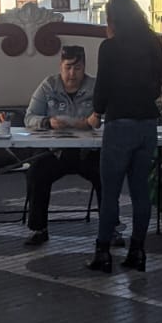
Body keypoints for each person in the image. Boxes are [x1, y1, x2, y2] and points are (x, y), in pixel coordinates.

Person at [89, 0, 162, 273]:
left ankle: (102, 254)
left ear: (114, 20)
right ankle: (138, 251)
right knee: (140, 194)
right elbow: (158, 86)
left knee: (110, 193)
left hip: (119, 123)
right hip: (147, 125)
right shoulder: (153, 45)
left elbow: (103, 86)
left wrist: (96, 113)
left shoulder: (109, 48)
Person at [22, 45, 102, 246]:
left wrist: (98, 120)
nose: (72, 74)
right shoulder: (49, 85)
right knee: (37, 172)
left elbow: (112, 117)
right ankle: (39, 229)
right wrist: (47, 122)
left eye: (77, 68)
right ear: (60, 66)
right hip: (55, 152)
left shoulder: (96, 87)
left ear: (85, 68)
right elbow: (29, 117)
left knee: (108, 174)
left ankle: (111, 228)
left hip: (88, 152)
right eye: (67, 67)